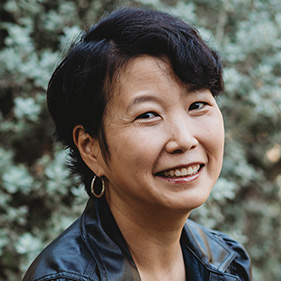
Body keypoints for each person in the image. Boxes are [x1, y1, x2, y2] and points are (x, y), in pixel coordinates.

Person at [22, 7, 253, 281]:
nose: (183, 139)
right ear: (90, 147)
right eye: (147, 115)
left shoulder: (227, 263)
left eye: (197, 105)